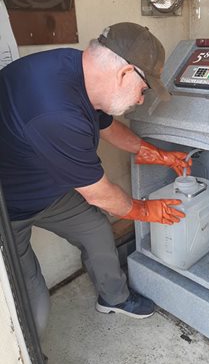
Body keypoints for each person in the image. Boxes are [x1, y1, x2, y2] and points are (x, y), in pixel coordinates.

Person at [0, 22, 192, 338]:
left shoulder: (78, 71)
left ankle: (114, 298)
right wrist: (147, 211)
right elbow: (101, 195)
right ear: (125, 72)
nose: (141, 100)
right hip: (9, 209)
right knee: (31, 305)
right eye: (143, 90)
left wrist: (158, 154)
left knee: (96, 230)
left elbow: (106, 127)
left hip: (49, 188)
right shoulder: (55, 112)